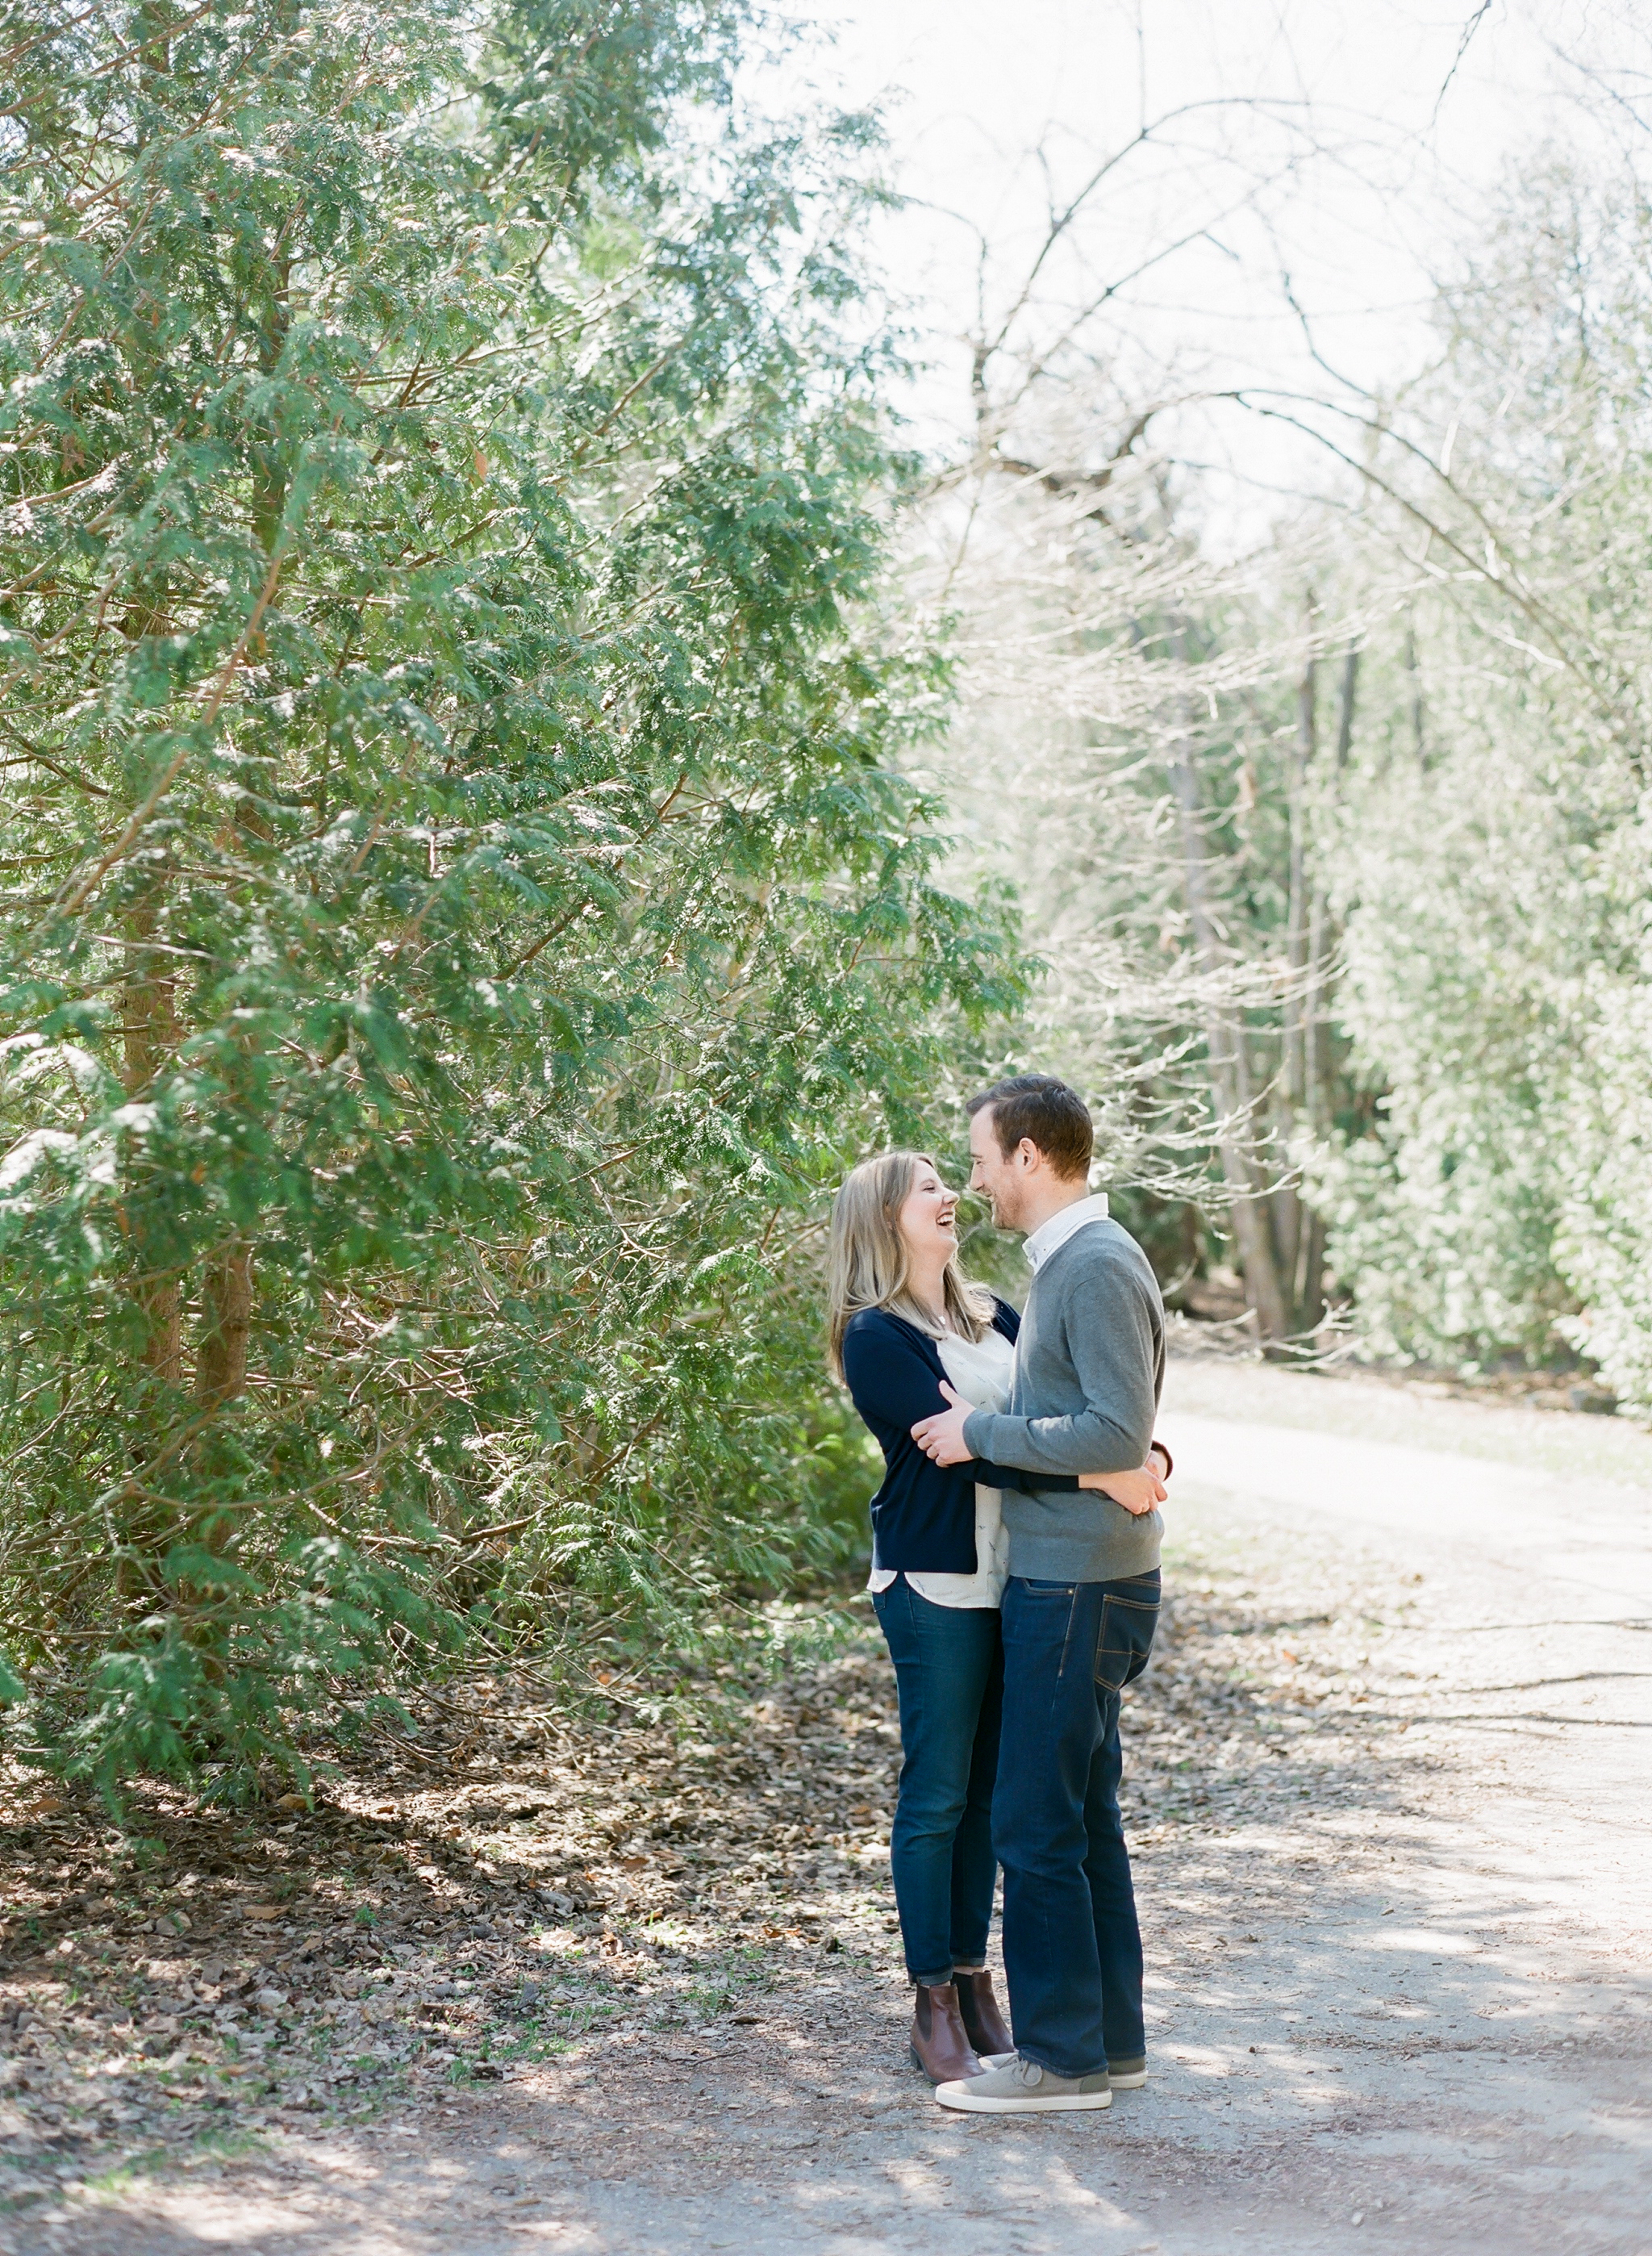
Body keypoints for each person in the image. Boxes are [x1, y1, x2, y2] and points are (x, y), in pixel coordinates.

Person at [827, 1149, 1169, 2086]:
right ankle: (930, 1998)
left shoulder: (995, 1314)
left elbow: (1059, 1415)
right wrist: (1104, 1472)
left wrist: (1137, 1449)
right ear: (883, 1219)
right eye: (927, 1188)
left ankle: (979, 1983)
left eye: (949, 1179)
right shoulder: (874, 1335)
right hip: (935, 1583)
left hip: (1024, 1575)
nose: (950, 1197)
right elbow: (962, 1451)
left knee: (994, 1796)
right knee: (938, 1794)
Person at [910, 1076, 1166, 2117]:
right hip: (1078, 1575)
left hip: (1077, 1586)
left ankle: (1060, 2063)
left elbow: (1112, 1429)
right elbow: (1112, 1433)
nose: (972, 1180)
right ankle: (1110, 2045)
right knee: (1082, 1816)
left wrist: (981, 1435)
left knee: (1032, 1824)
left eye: (979, 1158)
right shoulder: (1073, 1264)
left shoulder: (1094, 1264)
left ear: (1028, 1157)